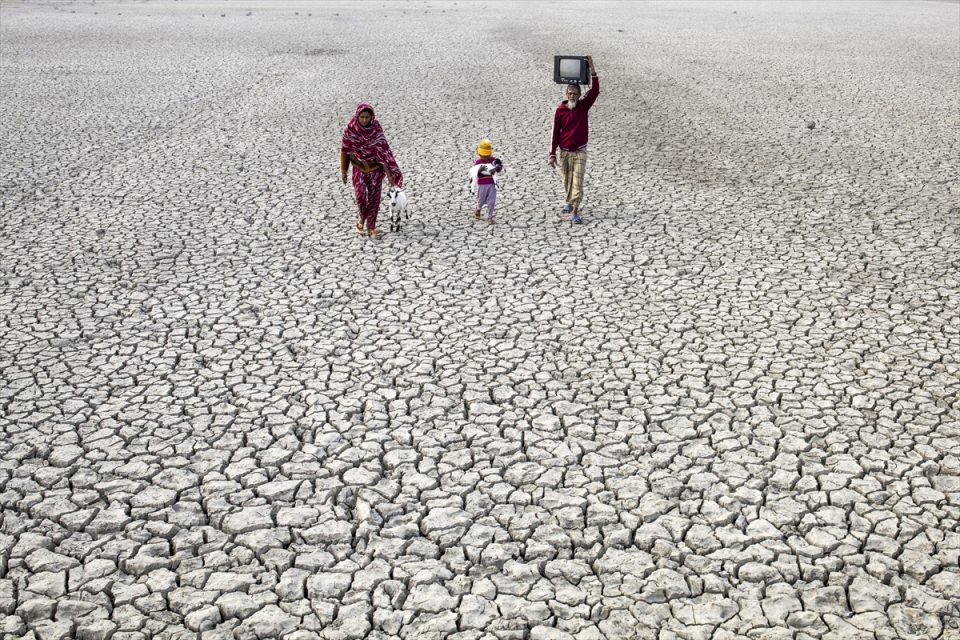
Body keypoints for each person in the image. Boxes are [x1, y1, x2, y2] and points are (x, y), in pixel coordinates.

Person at [340, 103, 403, 238]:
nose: (364, 120)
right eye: (361, 117)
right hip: (359, 168)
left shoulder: (376, 130)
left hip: (375, 170)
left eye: (367, 117)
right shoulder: (350, 130)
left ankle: (371, 227)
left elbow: (384, 152)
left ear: (371, 117)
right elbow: (345, 151)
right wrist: (344, 171)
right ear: (357, 116)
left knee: (374, 199)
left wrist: (390, 174)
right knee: (361, 197)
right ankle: (362, 217)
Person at [548, 56, 599, 224]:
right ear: (566, 93)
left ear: (579, 95)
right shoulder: (560, 110)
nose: (572, 96)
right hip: (564, 151)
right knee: (567, 180)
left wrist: (592, 70)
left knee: (578, 181)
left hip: (579, 151)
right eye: (570, 93)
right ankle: (569, 202)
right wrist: (552, 154)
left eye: (575, 94)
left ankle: (575, 211)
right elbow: (555, 132)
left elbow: (596, 90)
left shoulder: (584, 106)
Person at [470, 139, 504, 225]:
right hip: (482, 185)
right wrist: (480, 170)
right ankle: (478, 208)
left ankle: (489, 217)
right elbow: (475, 174)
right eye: (483, 155)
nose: (485, 157)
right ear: (479, 154)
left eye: (487, 155)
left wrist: (497, 167)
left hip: (492, 184)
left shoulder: (493, 160)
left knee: (491, 201)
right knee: (481, 200)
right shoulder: (478, 162)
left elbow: (499, 169)